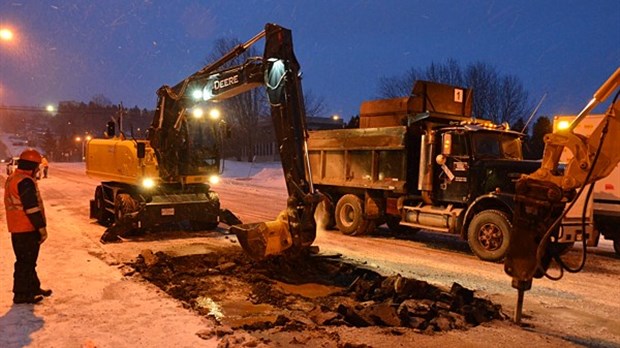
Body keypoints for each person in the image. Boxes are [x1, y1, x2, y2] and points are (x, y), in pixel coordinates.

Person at [3, 149, 52, 304]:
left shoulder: (14, 178)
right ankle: (22, 294)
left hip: (18, 227)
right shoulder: (25, 182)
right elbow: (31, 208)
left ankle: (32, 287)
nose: (38, 169)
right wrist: (41, 228)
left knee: (27, 260)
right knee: (25, 262)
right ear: (31, 166)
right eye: (37, 166)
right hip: (26, 228)